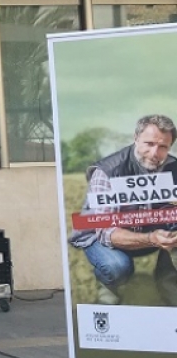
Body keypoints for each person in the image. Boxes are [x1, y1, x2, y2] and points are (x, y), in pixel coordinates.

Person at [69, 114, 177, 305]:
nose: (154, 153)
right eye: (149, 144)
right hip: (103, 236)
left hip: (152, 232)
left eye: (163, 147)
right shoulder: (108, 171)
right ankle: (108, 287)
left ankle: (168, 285)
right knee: (117, 266)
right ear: (136, 138)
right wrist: (151, 238)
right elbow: (106, 232)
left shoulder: (174, 168)